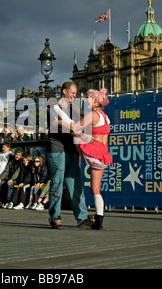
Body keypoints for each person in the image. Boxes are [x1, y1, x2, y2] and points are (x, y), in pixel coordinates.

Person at [47, 81, 94, 229]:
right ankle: (55, 216)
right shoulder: (53, 106)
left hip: (70, 150)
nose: (75, 95)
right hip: (57, 148)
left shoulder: (72, 108)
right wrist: (76, 131)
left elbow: (85, 115)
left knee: (75, 183)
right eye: (73, 93)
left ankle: (82, 217)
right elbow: (56, 124)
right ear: (64, 91)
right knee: (57, 182)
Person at [66, 88, 112, 229]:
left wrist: (64, 123)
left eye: (88, 98)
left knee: (75, 134)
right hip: (103, 153)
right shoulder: (105, 116)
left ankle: (98, 220)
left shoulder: (92, 115)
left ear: (96, 101)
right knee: (96, 189)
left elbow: (74, 128)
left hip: (93, 152)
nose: (86, 100)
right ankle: (99, 219)